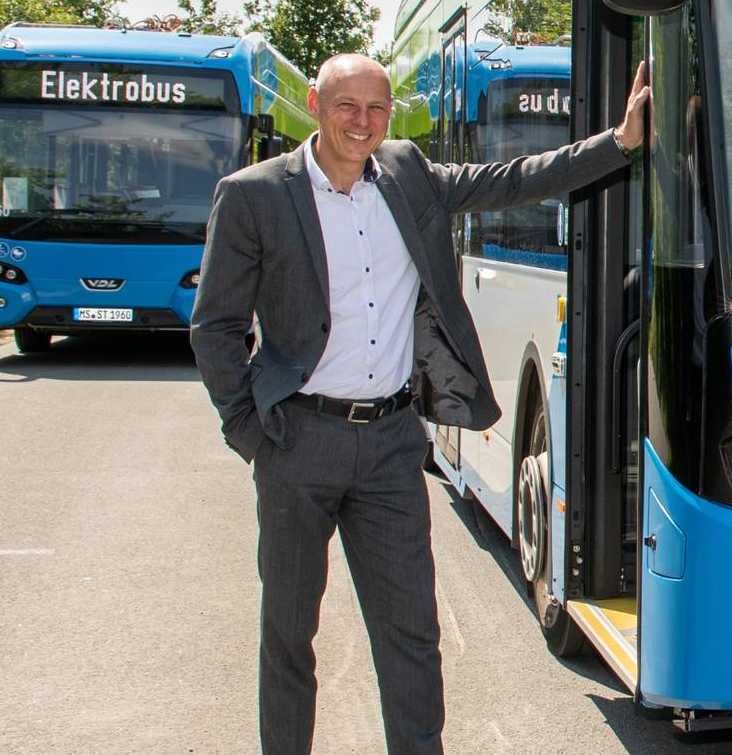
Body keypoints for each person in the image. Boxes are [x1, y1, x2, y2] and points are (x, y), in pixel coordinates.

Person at [191, 53, 649, 755]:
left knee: (412, 635)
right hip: (297, 442)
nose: (363, 122)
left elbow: (512, 180)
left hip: (390, 446)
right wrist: (251, 432)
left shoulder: (408, 175)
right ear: (315, 103)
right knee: (289, 633)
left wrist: (617, 143)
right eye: (348, 106)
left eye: (376, 108)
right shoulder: (255, 195)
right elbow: (215, 328)